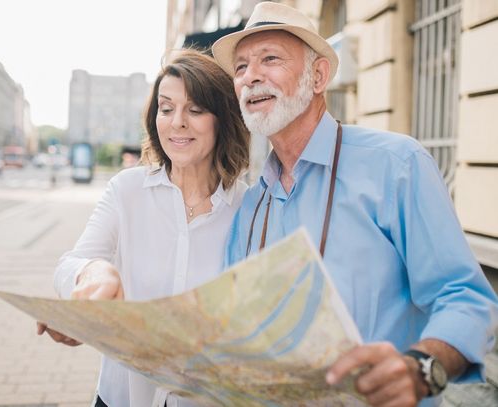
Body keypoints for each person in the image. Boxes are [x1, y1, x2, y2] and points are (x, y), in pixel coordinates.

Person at [212, 2, 498, 407]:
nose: (250, 76)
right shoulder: (251, 205)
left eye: (269, 59)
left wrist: (420, 368)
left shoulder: (396, 165)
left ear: (318, 76)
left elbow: (466, 298)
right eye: (240, 68)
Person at [37, 49, 250, 407]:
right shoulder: (127, 190)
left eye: (195, 110)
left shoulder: (250, 206)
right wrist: (92, 278)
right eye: (166, 108)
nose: (177, 122)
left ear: (223, 120)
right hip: (124, 396)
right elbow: (70, 264)